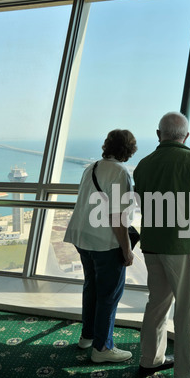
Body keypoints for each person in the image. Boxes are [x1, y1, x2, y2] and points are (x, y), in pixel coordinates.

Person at [133, 112, 190, 378]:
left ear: (159, 135)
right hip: (184, 248)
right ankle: (187, 372)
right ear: (186, 136)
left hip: (152, 246)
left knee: (156, 305)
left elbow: (143, 203)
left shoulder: (143, 165)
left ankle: (151, 359)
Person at [64, 129, 137, 363]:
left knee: (92, 288)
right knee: (109, 295)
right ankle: (102, 348)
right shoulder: (120, 172)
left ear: (107, 145)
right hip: (104, 243)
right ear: (129, 150)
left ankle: (88, 336)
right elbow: (118, 216)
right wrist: (126, 249)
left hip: (82, 238)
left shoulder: (91, 167)